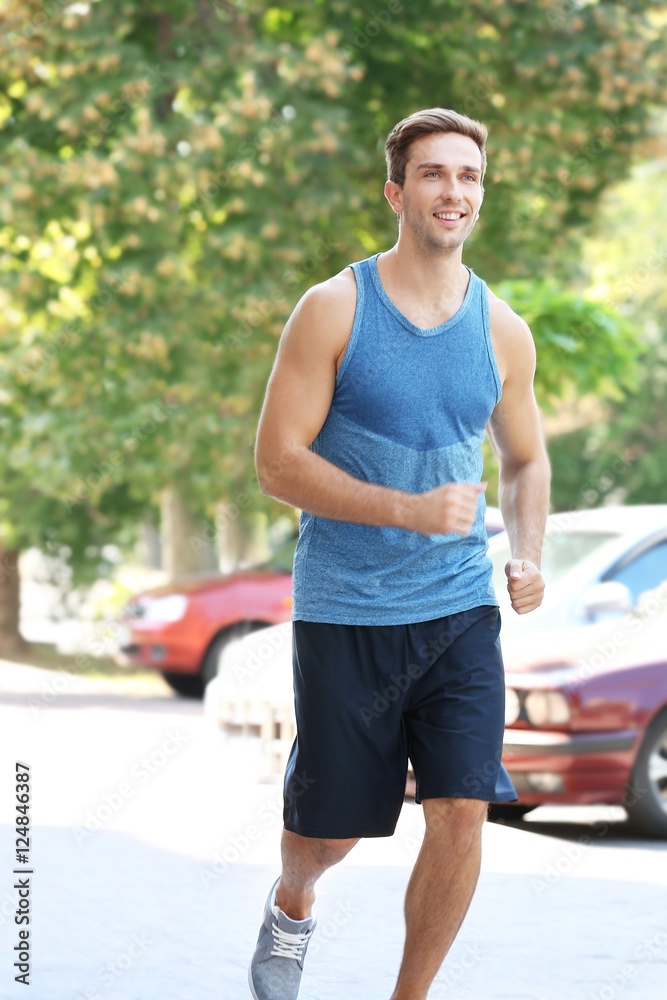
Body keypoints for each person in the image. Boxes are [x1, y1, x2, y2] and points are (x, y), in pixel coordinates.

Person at [249, 107, 551, 1000]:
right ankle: (292, 901)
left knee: (462, 810)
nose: (452, 190)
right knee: (329, 833)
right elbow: (276, 463)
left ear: (480, 194)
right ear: (396, 191)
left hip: (457, 611)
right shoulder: (335, 308)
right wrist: (406, 510)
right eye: (432, 174)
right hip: (347, 610)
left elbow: (527, 458)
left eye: (467, 175)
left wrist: (527, 551)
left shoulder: (503, 328)